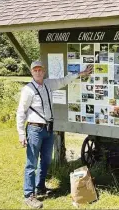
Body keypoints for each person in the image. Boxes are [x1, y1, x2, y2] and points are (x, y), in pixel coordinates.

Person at [17, 60, 92, 209]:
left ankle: (40, 188)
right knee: (31, 163)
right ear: (32, 72)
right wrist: (21, 133)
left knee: (45, 161)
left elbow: (63, 80)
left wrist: (80, 74)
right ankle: (29, 195)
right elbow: (21, 112)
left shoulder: (48, 84)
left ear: (43, 71)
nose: (38, 72)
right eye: (35, 70)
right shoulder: (28, 89)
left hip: (48, 129)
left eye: (40, 69)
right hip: (34, 129)